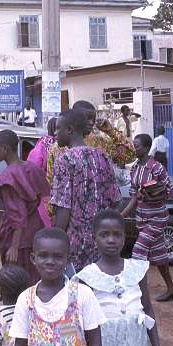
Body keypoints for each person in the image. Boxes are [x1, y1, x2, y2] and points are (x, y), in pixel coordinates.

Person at [77, 209, 166, 346]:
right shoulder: (87, 277)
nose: (111, 240)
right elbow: (83, 325)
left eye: (117, 235)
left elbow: (147, 310)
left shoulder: (137, 270)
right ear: (94, 239)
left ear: (125, 238)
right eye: (104, 235)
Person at [10, 228, 106, 346]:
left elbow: (95, 343)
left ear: (68, 259)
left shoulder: (83, 294)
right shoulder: (25, 300)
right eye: (43, 256)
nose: (50, 262)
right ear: (33, 258)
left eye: (58, 256)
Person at [50, 108, 121, 272]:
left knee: (75, 293)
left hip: (76, 246)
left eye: (58, 128)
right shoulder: (102, 156)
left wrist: (56, 240)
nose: (55, 132)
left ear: (69, 130)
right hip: (101, 243)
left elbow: (63, 208)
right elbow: (115, 200)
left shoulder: (65, 159)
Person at [121, 134, 173, 302]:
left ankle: (137, 295)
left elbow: (170, 192)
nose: (134, 148)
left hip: (157, 218)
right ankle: (171, 289)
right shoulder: (135, 169)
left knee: (138, 253)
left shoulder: (157, 168)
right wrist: (121, 215)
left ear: (146, 148)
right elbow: (133, 198)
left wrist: (153, 193)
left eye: (137, 146)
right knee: (159, 255)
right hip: (142, 218)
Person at [0, 129, 49, 284]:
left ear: (5, 148)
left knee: (17, 281)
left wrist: (14, 246)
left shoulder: (8, 177)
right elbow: (41, 195)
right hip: (36, 229)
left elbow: (18, 214)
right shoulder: (31, 168)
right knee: (35, 277)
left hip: (18, 237)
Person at [46, 101, 135, 184]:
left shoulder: (101, 142)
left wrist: (111, 132)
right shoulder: (57, 148)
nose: (91, 122)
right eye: (87, 118)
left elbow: (130, 156)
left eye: (93, 118)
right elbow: (51, 181)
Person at [26, 117, 57, 227]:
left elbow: (32, 166)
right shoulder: (68, 143)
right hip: (64, 193)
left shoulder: (44, 143)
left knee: (46, 226)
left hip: (45, 192)